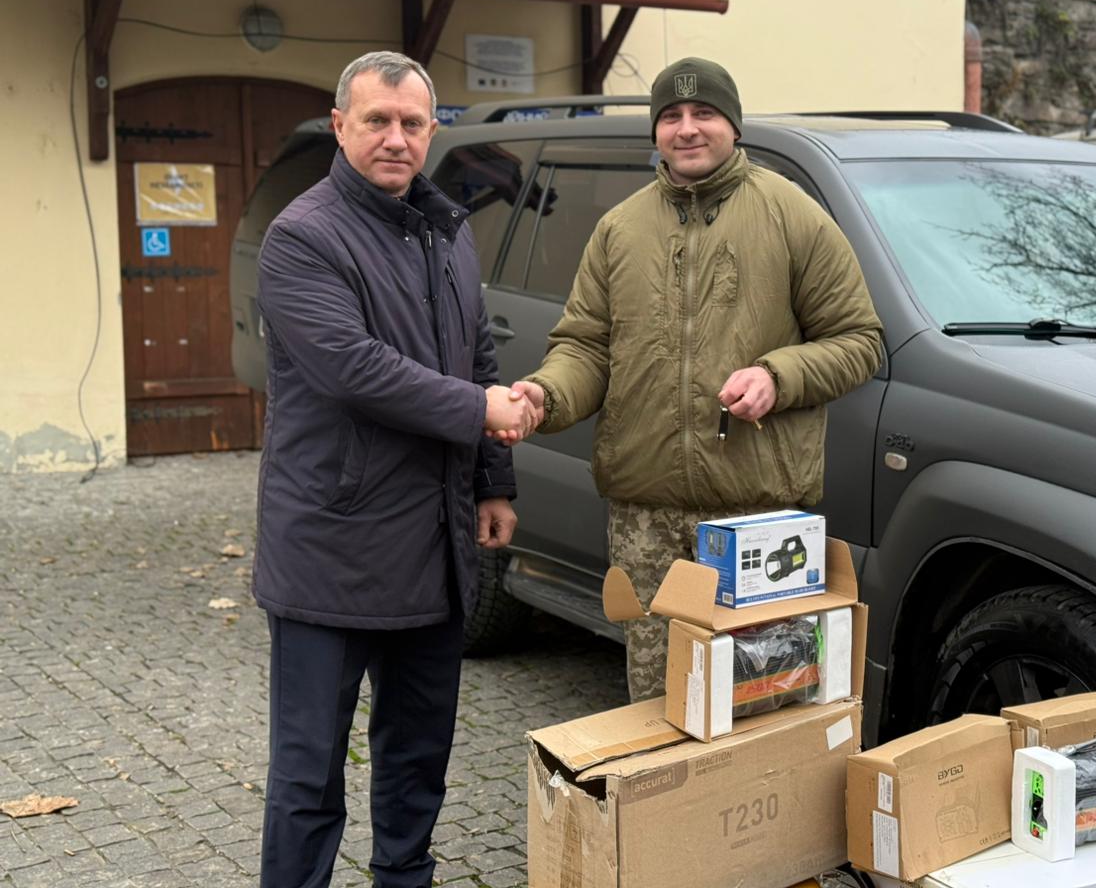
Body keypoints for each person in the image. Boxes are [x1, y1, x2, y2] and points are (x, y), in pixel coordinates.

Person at [507, 57, 884, 702]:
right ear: (656, 131)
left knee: (760, 697)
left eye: (704, 112)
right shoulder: (618, 229)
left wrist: (778, 376)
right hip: (645, 517)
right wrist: (548, 394)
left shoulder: (792, 215)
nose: (687, 128)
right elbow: (586, 347)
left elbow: (859, 340)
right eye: (671, 116)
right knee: (659, 699)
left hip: (757, 518)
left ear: (733, 125)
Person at [252, 50, 538, 888]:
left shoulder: (447, 229)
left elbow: (477, 353)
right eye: (377, 120)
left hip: (433, 541)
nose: (395, 138)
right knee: (310, 774)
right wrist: (480, 411)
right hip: (330, 550)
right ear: (340, 126)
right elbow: (354, 368)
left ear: (433, 131)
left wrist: (493, 479)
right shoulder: (302, 236)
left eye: (412, 123)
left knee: (418, 756)